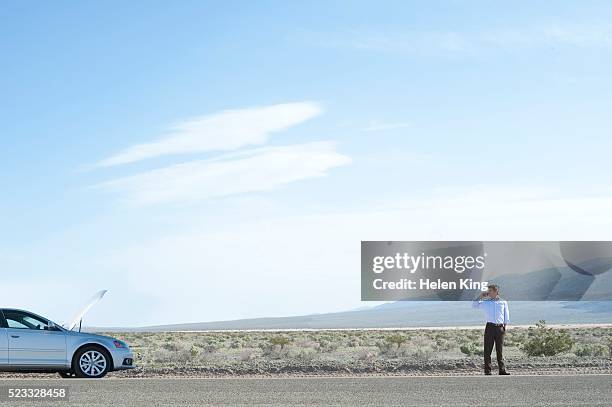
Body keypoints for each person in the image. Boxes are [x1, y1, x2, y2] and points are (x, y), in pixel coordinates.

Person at [472, 284, 510, 375]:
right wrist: (481, 296)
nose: (488, 293)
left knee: (499, 350)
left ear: (496, 291)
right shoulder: (486, 302)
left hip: (500, 328)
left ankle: (502, 370)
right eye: (488, 291)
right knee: (487, 350)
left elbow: (506, 316)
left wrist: (504, 327)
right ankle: (487, 370)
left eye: (490, 291)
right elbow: (474, 305)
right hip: (489, 327)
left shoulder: (503, 302)